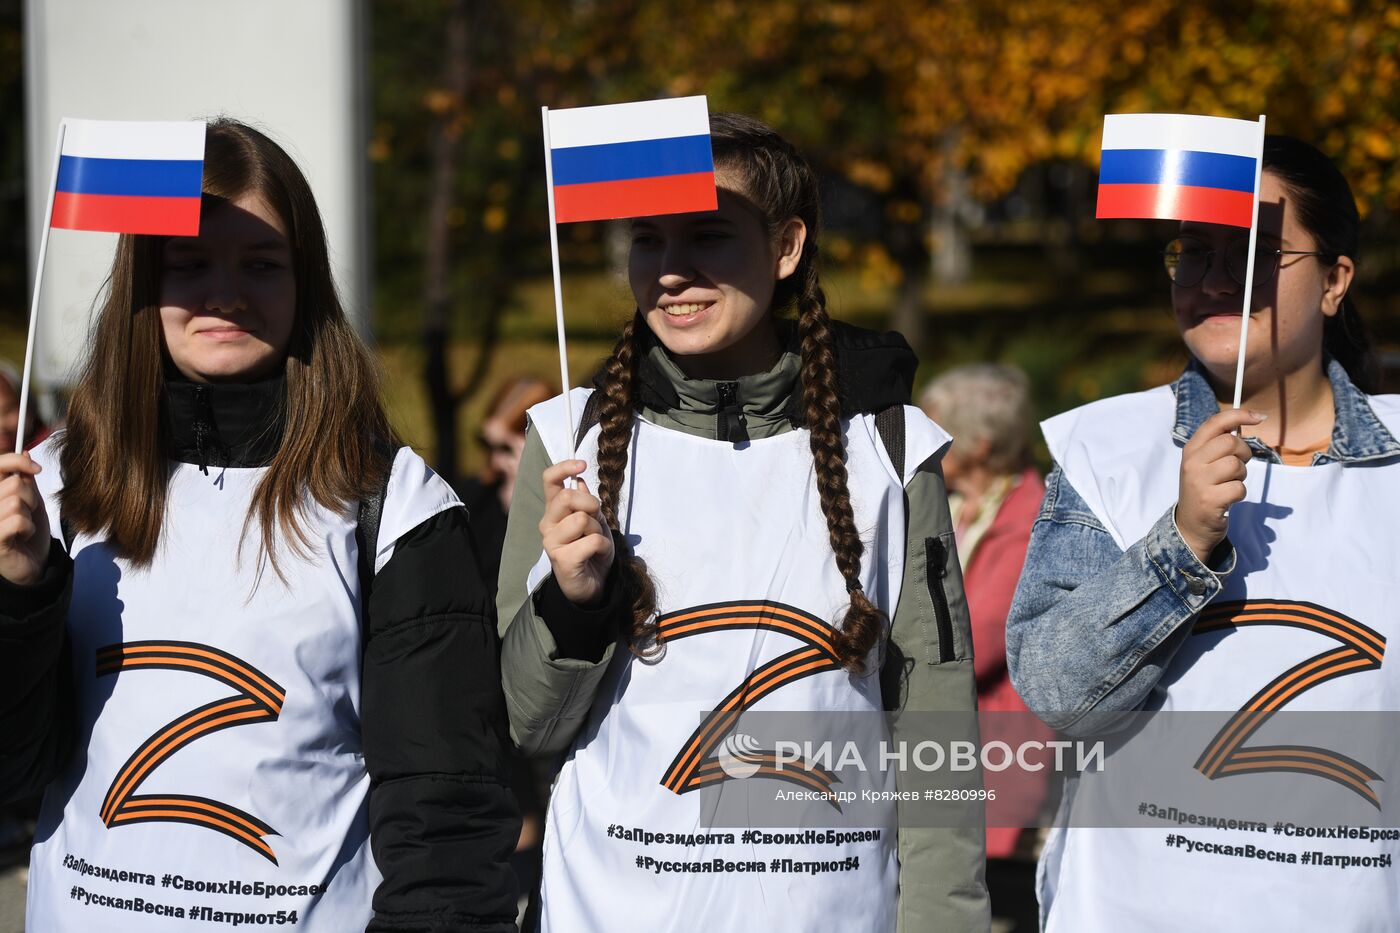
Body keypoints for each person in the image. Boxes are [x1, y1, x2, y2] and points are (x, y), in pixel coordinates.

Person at [0, 119, 518, 932]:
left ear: (305, 282)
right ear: (146, 283)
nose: (224, 292)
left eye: (261, 264)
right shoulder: (55, 485)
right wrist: (16, 595)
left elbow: (446, 819)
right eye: (191, 263)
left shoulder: (395, 503)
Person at [496, 112, 989, 932]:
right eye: (648, 239)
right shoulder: (569, 441)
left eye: (710, 237)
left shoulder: (891, 445)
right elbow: (523, 726)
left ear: (786, 247)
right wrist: (572, 605)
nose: (672, 272)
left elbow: (936, 727)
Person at [1006, 136, 1399, 931]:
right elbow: (1056, 696)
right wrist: (1180, 540)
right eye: (1193, 253)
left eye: (1253, 250)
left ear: (1334, 281)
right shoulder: (1108, 451)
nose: (1216, 281)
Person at [920, 364, 1048, 929]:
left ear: (981, 443)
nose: (918, 440)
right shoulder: (948, 508)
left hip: (997, 769)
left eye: (933, 428)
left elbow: (977, 642)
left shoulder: (1029, 520)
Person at [456, 375, 557, 591]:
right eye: (487, 445)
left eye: (505, 449)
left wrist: (524, 499)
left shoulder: (559, 505)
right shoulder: (472, 499)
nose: (495, 461)